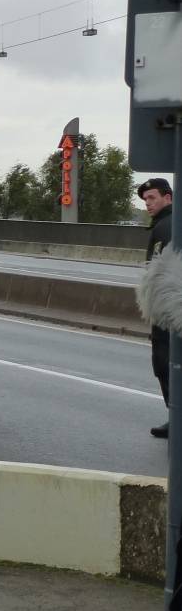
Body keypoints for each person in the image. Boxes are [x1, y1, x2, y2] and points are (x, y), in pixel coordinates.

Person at [140, 177, 174, 438]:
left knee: (165, 363)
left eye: (152, 197)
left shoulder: (166, 226)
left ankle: (176, 418)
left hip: (168, 311)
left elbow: (160, 271)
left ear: (168, 197)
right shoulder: (167, 223)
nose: (148, 203)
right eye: (145, 200)